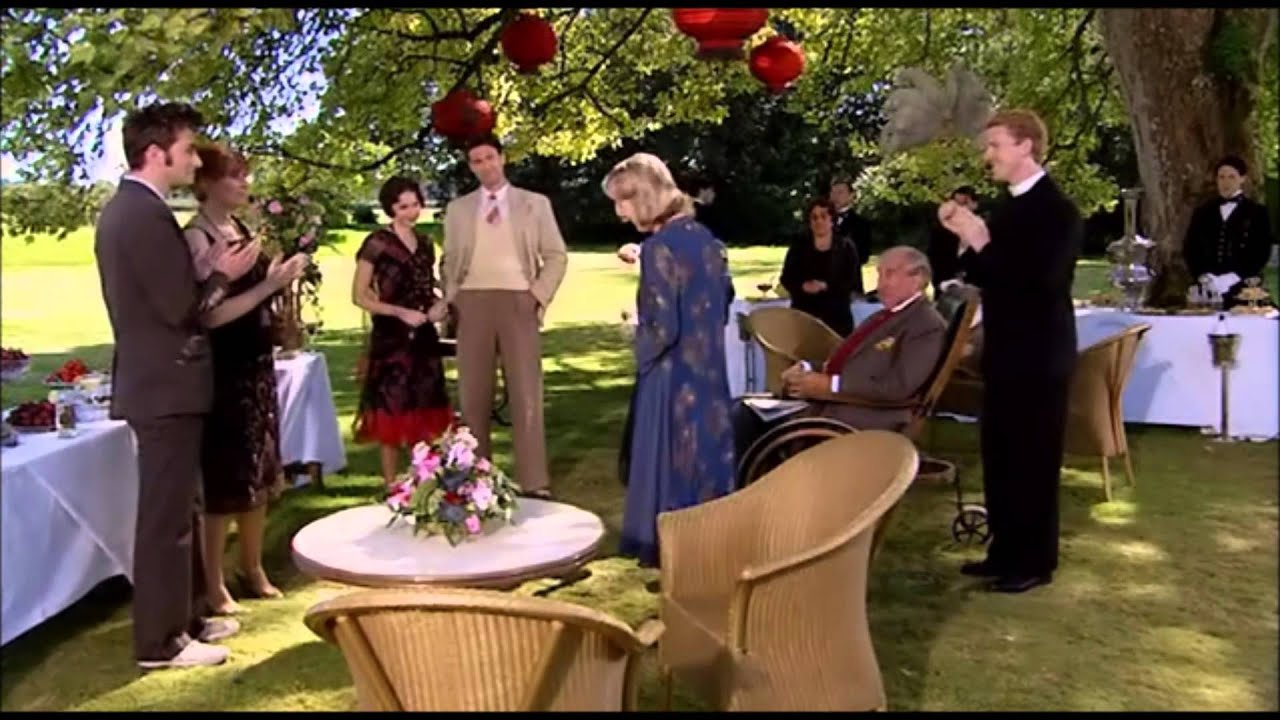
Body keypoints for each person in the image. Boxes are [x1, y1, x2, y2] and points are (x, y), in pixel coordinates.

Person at [95, 102, 260, 669]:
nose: (194, 161)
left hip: (168, 384)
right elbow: (180, 309)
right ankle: (160, 643)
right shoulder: (141, 215)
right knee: (164, 517)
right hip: (163, 384)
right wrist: (222, 275)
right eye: (187, 150)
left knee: (183, 506)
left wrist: (209, 270)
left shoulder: (142, 210)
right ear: (155, 153)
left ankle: (187, 618)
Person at [938, 108, 1082, 594]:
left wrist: (980, 239)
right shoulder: (1009, 208)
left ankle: (1034, 562)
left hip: (1039, 356)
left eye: (995, 145)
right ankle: (1003, 552)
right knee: (1000, 455)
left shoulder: (1058, 211)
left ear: (1025, 146)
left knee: (1033, 459)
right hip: (1003, 353)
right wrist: (967, 239)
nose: (988, 155)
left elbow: (1040, 282)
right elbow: (990, 276)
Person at [184, 142, 307, 615]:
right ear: (207, 183)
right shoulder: (197, 238)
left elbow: (259, 293)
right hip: (222, 371)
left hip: (256, 365)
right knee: (224, 482)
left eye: (245, 174)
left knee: (259, 472)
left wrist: (281, 279)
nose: (244, 183)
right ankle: (214, 585)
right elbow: (209, 316)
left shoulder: (241, 229)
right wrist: (267, 286)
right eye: (234, 175)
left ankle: (252, 567)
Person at [605, 152, 737, 568]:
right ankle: (706, 544)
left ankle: (671, 546)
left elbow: (662, 328)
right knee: (704, 456)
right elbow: (724, 302)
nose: (619, 212)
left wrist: (635, 335)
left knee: (669, 460)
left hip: (671, 376)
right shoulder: (709, 241)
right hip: (709, 372)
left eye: (622, 201)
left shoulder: (658, 248)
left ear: (643, 197)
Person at [439, 134, 568, 498]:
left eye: (489, 158)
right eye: (476, 161)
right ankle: (476, 480)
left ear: (502, 158)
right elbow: (448, 260)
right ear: (470, 166)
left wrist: (536, 296)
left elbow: (556, 255)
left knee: (526, 393)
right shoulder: (458, 209)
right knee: (473, 396)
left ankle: (534, 481)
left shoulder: (534, 204)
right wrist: (454, 296)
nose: (485, 166)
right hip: (472, 303)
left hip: (519, 302)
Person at [733, 246, 947, 462]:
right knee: (742, 409)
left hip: (869, 416)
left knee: (745, 419)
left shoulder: (925, 324)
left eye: (889, 274)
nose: (880, 284)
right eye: (879, 274)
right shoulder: (884, 316)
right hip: (834, 405)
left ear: (917, 278)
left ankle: (755, 480)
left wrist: (832, 386)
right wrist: (807, 368)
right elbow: (848, 360)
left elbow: (898, 388)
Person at [352, 177, 454, 487]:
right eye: (403, 207)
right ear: (390, 209)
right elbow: (359, 296)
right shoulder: (377, 243)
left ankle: (424, 484)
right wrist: (399, 312)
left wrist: (439, 306)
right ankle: (391, 486)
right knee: (391, 412)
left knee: (423, 409)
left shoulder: (425, 244)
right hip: (390, 340)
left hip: (423, 338)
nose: (412, 212)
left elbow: (426, 288)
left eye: (416, 205)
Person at [1182, 155, 1275, 307]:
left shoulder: (1256, 212)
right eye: (1221, 177)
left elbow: (1262, 250)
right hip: (1207, 289)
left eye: (1232, 177)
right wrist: (1204, 276)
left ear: (1242, 179)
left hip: (1244, 288)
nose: (1226, 182)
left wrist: (1233, 277)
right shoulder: (1203, 211)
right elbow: (1191, 247)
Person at [779, 197, 862, 337]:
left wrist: (826, 286)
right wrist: (803, 286)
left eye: (823, 216)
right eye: (814, 217)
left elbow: (853, 281)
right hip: (804, 316)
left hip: (837, 318)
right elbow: (786, 278)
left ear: (832, 220)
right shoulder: (799, 246)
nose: (819, 221)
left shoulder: (845, 247)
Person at [928, 185, 979, 294]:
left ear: (974, 205)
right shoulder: (940, 235)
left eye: (964, 204)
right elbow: (935, 267)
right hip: (947, 295)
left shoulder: (983, 233)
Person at [831, 178, 873, 294]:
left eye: (840, 192)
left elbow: (863, 256)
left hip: (850, 285)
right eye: (833, 193)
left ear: (851, 196)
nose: (835, 197)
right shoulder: (820, 221)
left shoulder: (861, 224)